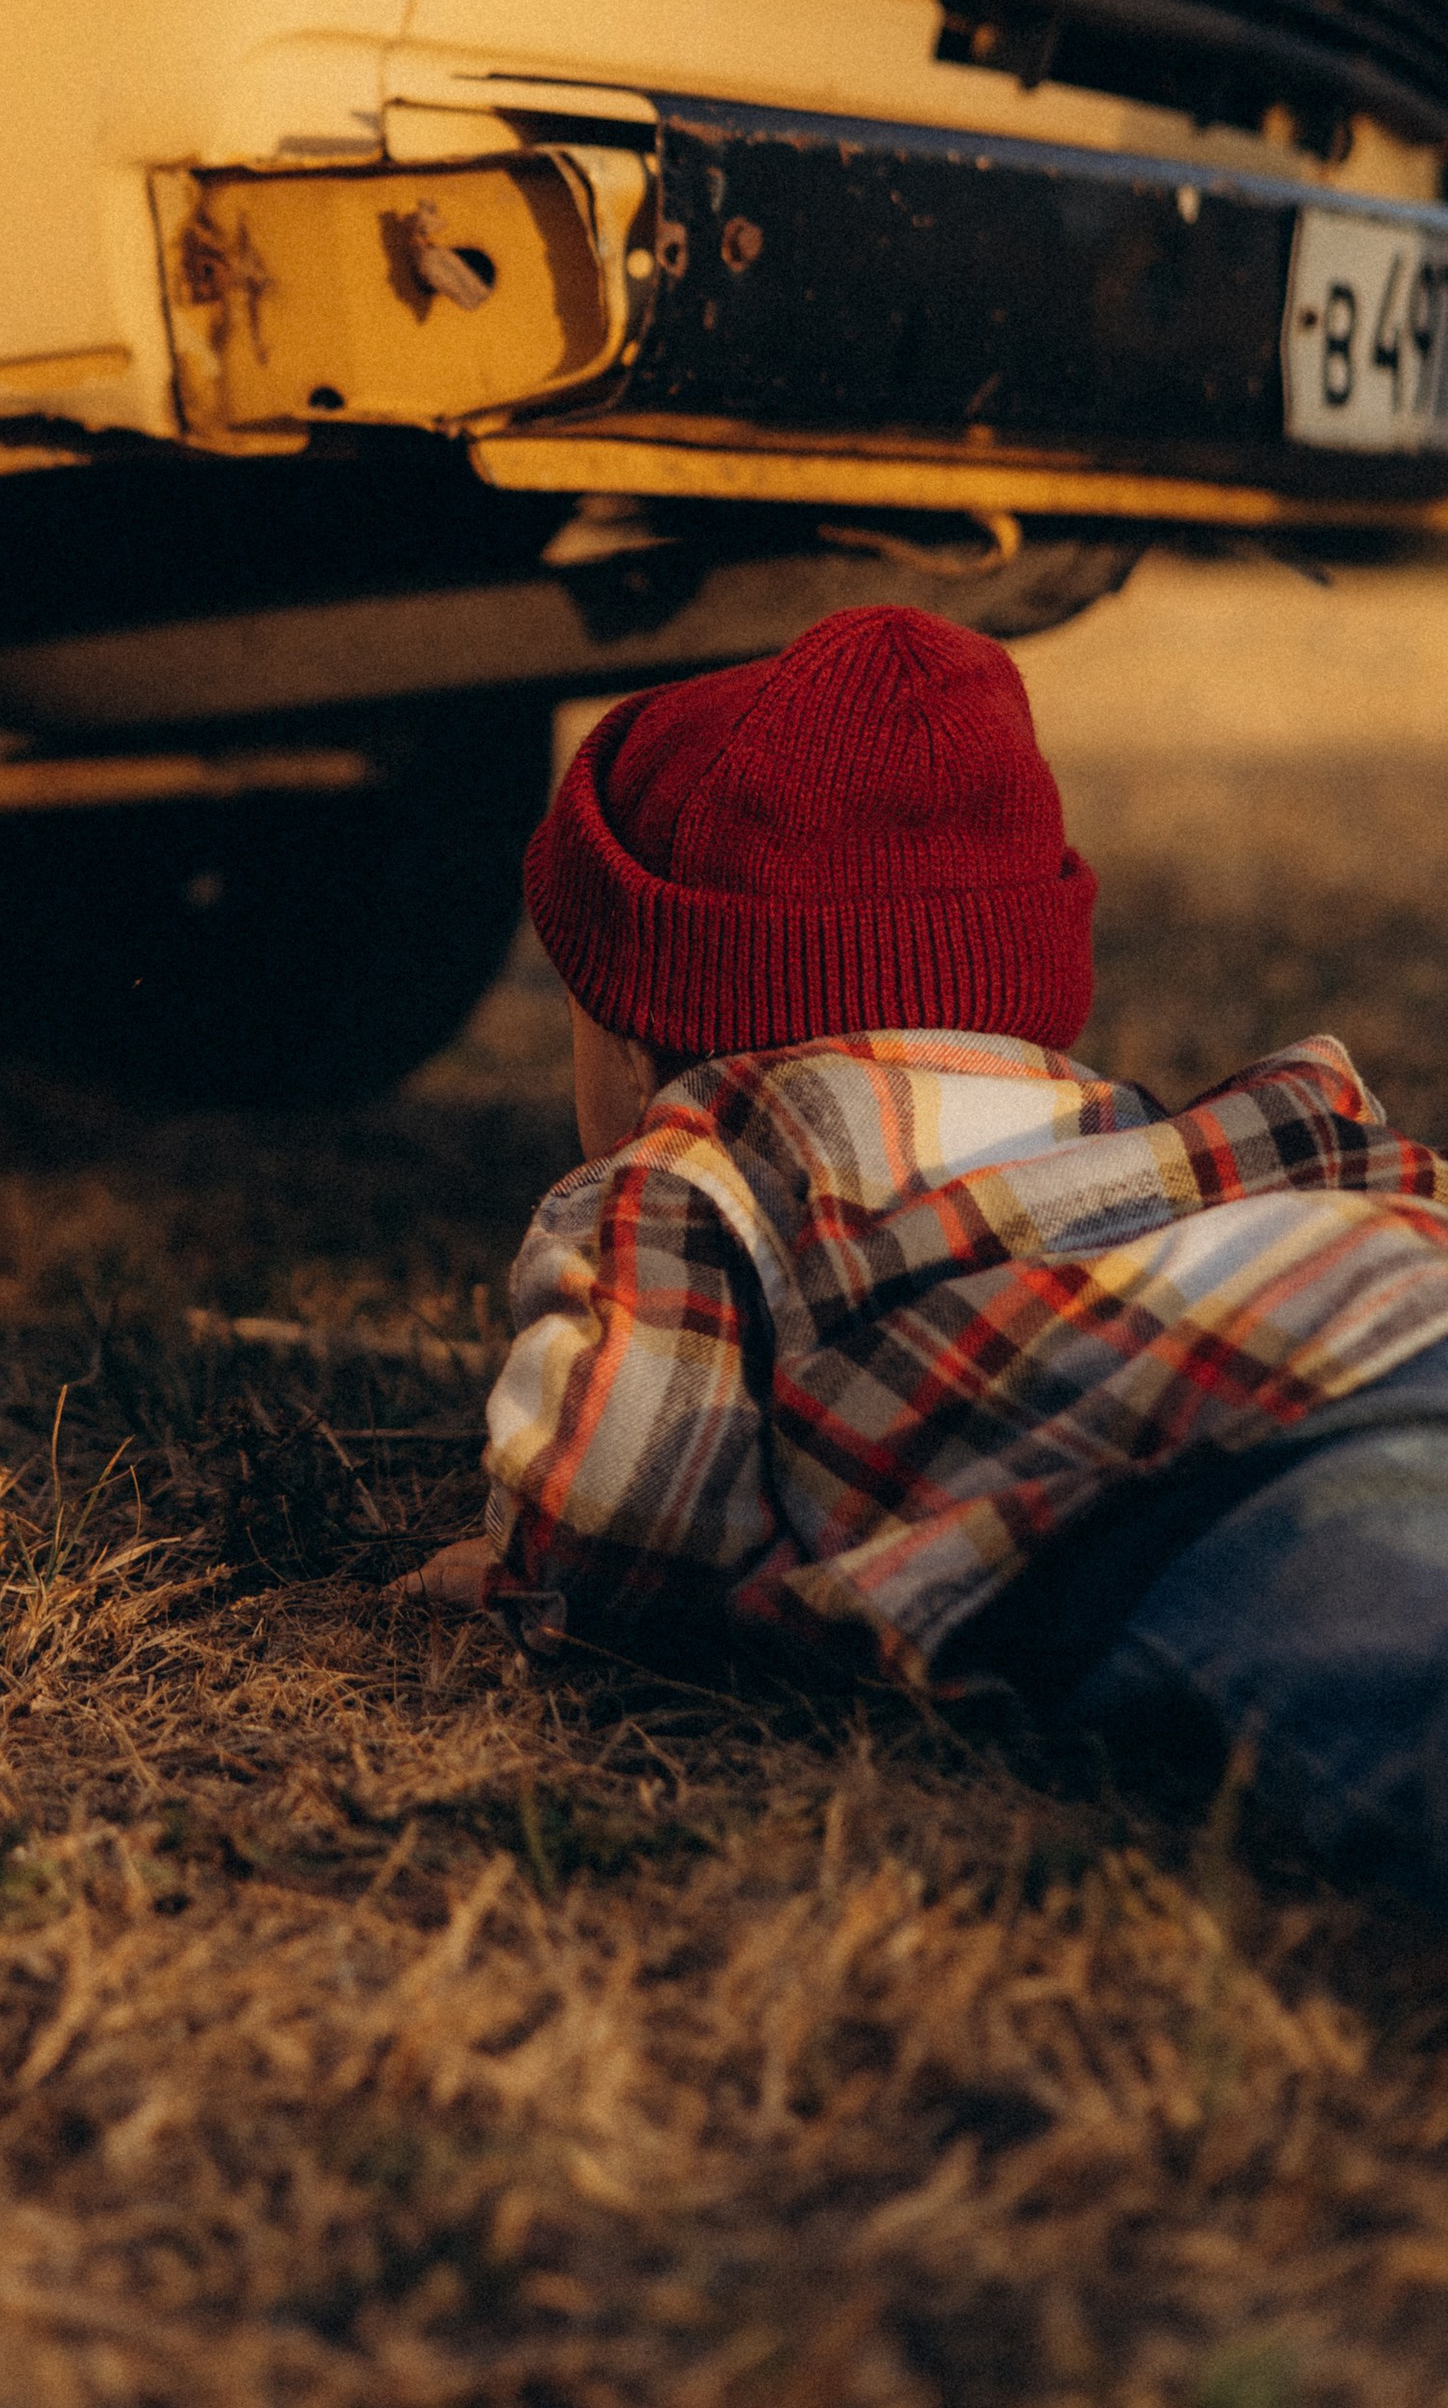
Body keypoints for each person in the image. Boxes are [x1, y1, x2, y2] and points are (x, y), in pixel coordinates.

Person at [403, 603, 1448, 1900]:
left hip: (1231, 1474)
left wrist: (527, 1574)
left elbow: (628, 1512)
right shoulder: (1116, 1126)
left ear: (629, 1028)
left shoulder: (706, 1168)